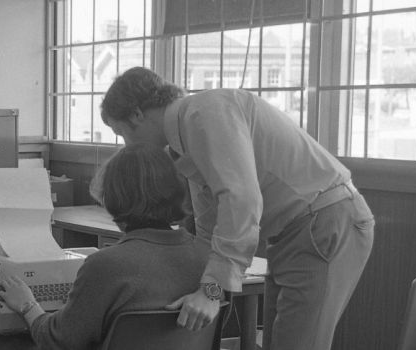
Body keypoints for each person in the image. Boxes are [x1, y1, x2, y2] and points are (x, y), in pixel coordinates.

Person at [100, 67, 374, 350]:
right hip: (295, 231)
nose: (127, 145)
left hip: (324, 222)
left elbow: (241, 200)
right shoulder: (184, 140)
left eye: (121, 133)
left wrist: (210, 292)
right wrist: (206, 287)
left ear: (137, 114)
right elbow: (209, 229)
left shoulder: (205, 113)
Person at [0, 143, 212, 350]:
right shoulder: (210, 261)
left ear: (113, 198)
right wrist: (213, 292)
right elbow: (218, 297)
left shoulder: (105, 265)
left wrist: (27, 305)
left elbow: (57, 340)